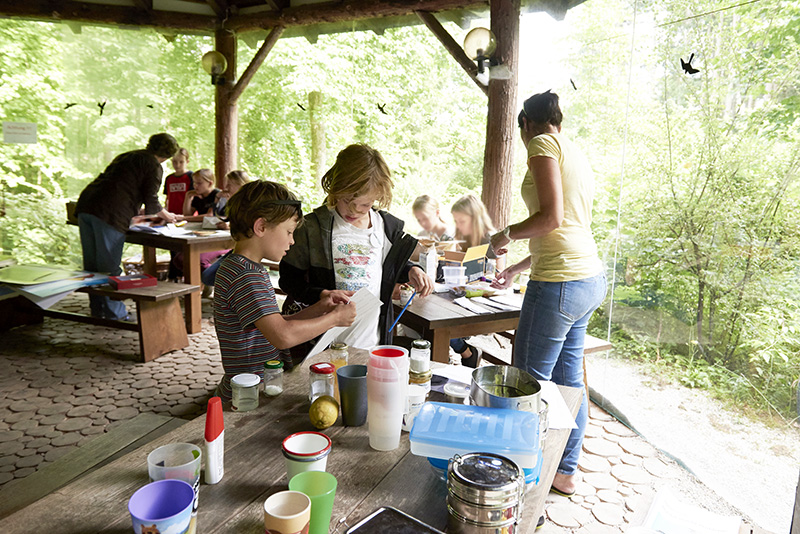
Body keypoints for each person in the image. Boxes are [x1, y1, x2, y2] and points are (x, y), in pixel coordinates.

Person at [490, 90, 607, 498]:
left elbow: (551, 218)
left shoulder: (540, 143)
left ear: (526, 124)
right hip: (586, 278)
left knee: (525, 383)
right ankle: (566, 471)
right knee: (568, 382)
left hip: (559, 284)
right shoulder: (573, 149)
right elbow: (566, 227)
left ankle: (519, 479)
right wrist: (518, 267)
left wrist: (504, 235)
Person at [280, 143, 433, 354]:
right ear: (335, 187)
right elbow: (288, 281)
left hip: (371, 341)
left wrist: (411, 270)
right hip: (320, 344)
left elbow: (386, 263)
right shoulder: (312, 229)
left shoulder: (385, 228)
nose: (354, 211)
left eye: (364, 205)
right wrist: (323, 295)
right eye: (347, 201)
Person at [214, 180, 356, 401]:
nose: (292, 241)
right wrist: (335, 319)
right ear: (261, 227)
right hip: (249, 395)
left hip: (259, 387)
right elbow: (282, 335)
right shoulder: (245, 275)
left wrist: (321, 308)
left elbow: (276, 324)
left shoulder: (244, 268)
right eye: (289, 232)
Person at [75, 133, 180, 320]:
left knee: (91, 267)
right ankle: (115, 314)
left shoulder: (128, 155)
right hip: (110, 213)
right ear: (168, 155)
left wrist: (135, 209)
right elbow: (152, 201)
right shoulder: (153, 165)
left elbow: (121, 186)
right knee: (109, 267)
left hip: (87, 206)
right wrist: (168, 216)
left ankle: (98, 310)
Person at [163, 147, 193, 215]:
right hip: (172, 214)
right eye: (174, 162)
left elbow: (194, 196)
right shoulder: (169, 178)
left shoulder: (191, 176)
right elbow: (167, 198)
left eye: (181, 162)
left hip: (187, 214)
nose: (177, 165)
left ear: (187, 162)